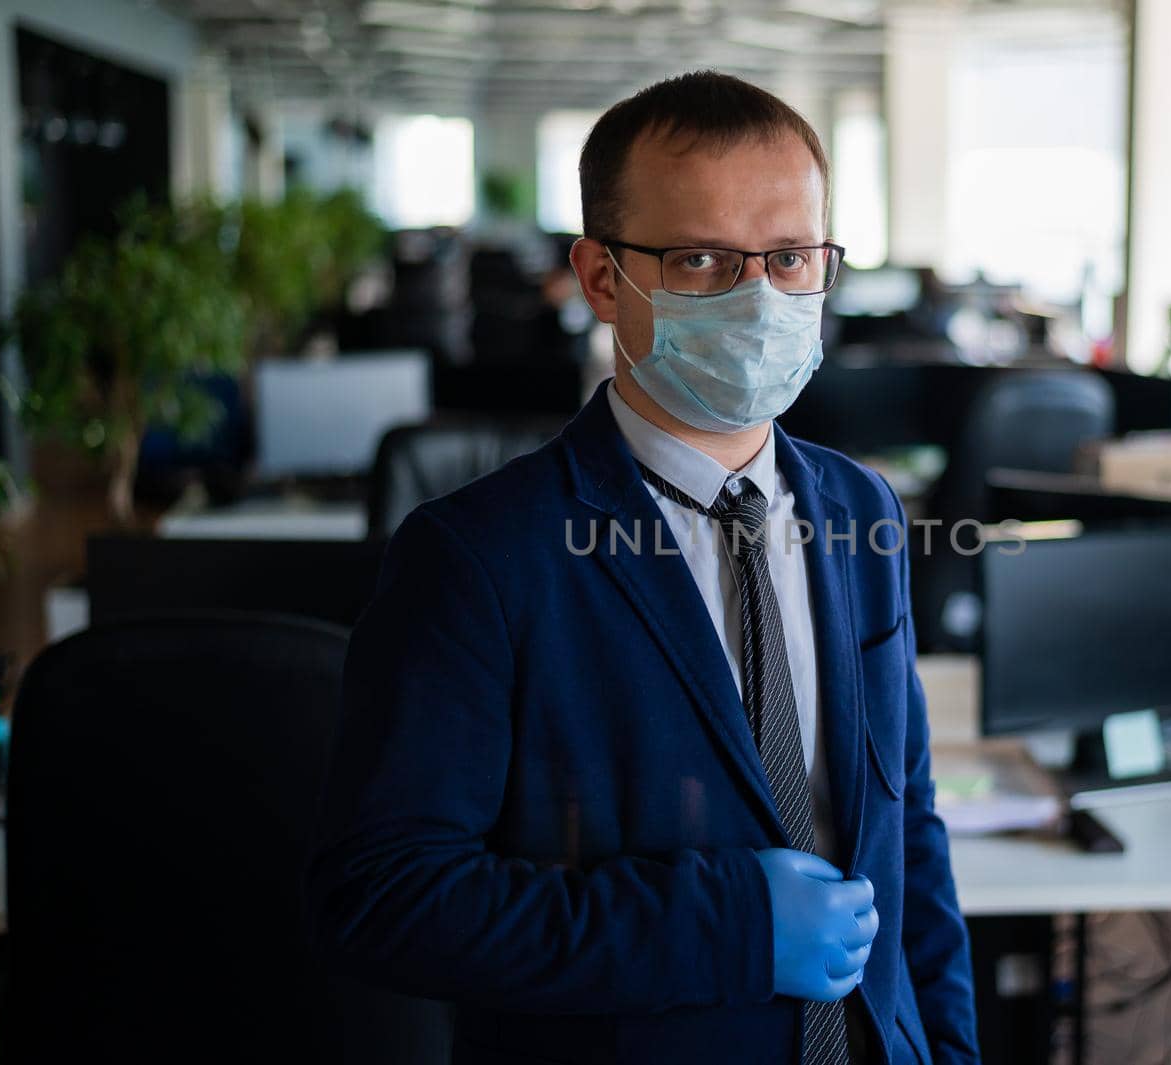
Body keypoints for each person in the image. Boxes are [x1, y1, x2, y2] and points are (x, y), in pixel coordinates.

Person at [306, 71, 979, 1065]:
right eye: (702, 259)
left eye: (791, 257)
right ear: (602, 278)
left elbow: (907, 832)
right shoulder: (480, 558)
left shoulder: (861, 508)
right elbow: (388, 896)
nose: (760, 298)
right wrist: (725, 928)